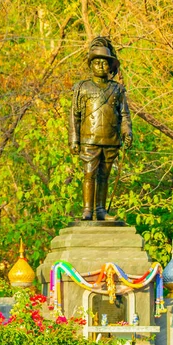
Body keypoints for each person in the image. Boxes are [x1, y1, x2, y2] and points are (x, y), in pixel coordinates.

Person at [69, 37, 133, 221]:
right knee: (89, 172)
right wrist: (74, 140)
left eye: (105, 63)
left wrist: (127, 132)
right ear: (91, 65)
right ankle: (87, 209)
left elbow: (125, 115)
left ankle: (101, 210)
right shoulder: (83, 87)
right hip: (89, 139)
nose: (101, 66)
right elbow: (75, 115)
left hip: (111, 139)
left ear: (110, 66)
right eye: (97, 63)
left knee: (104, 175)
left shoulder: (117, 89)